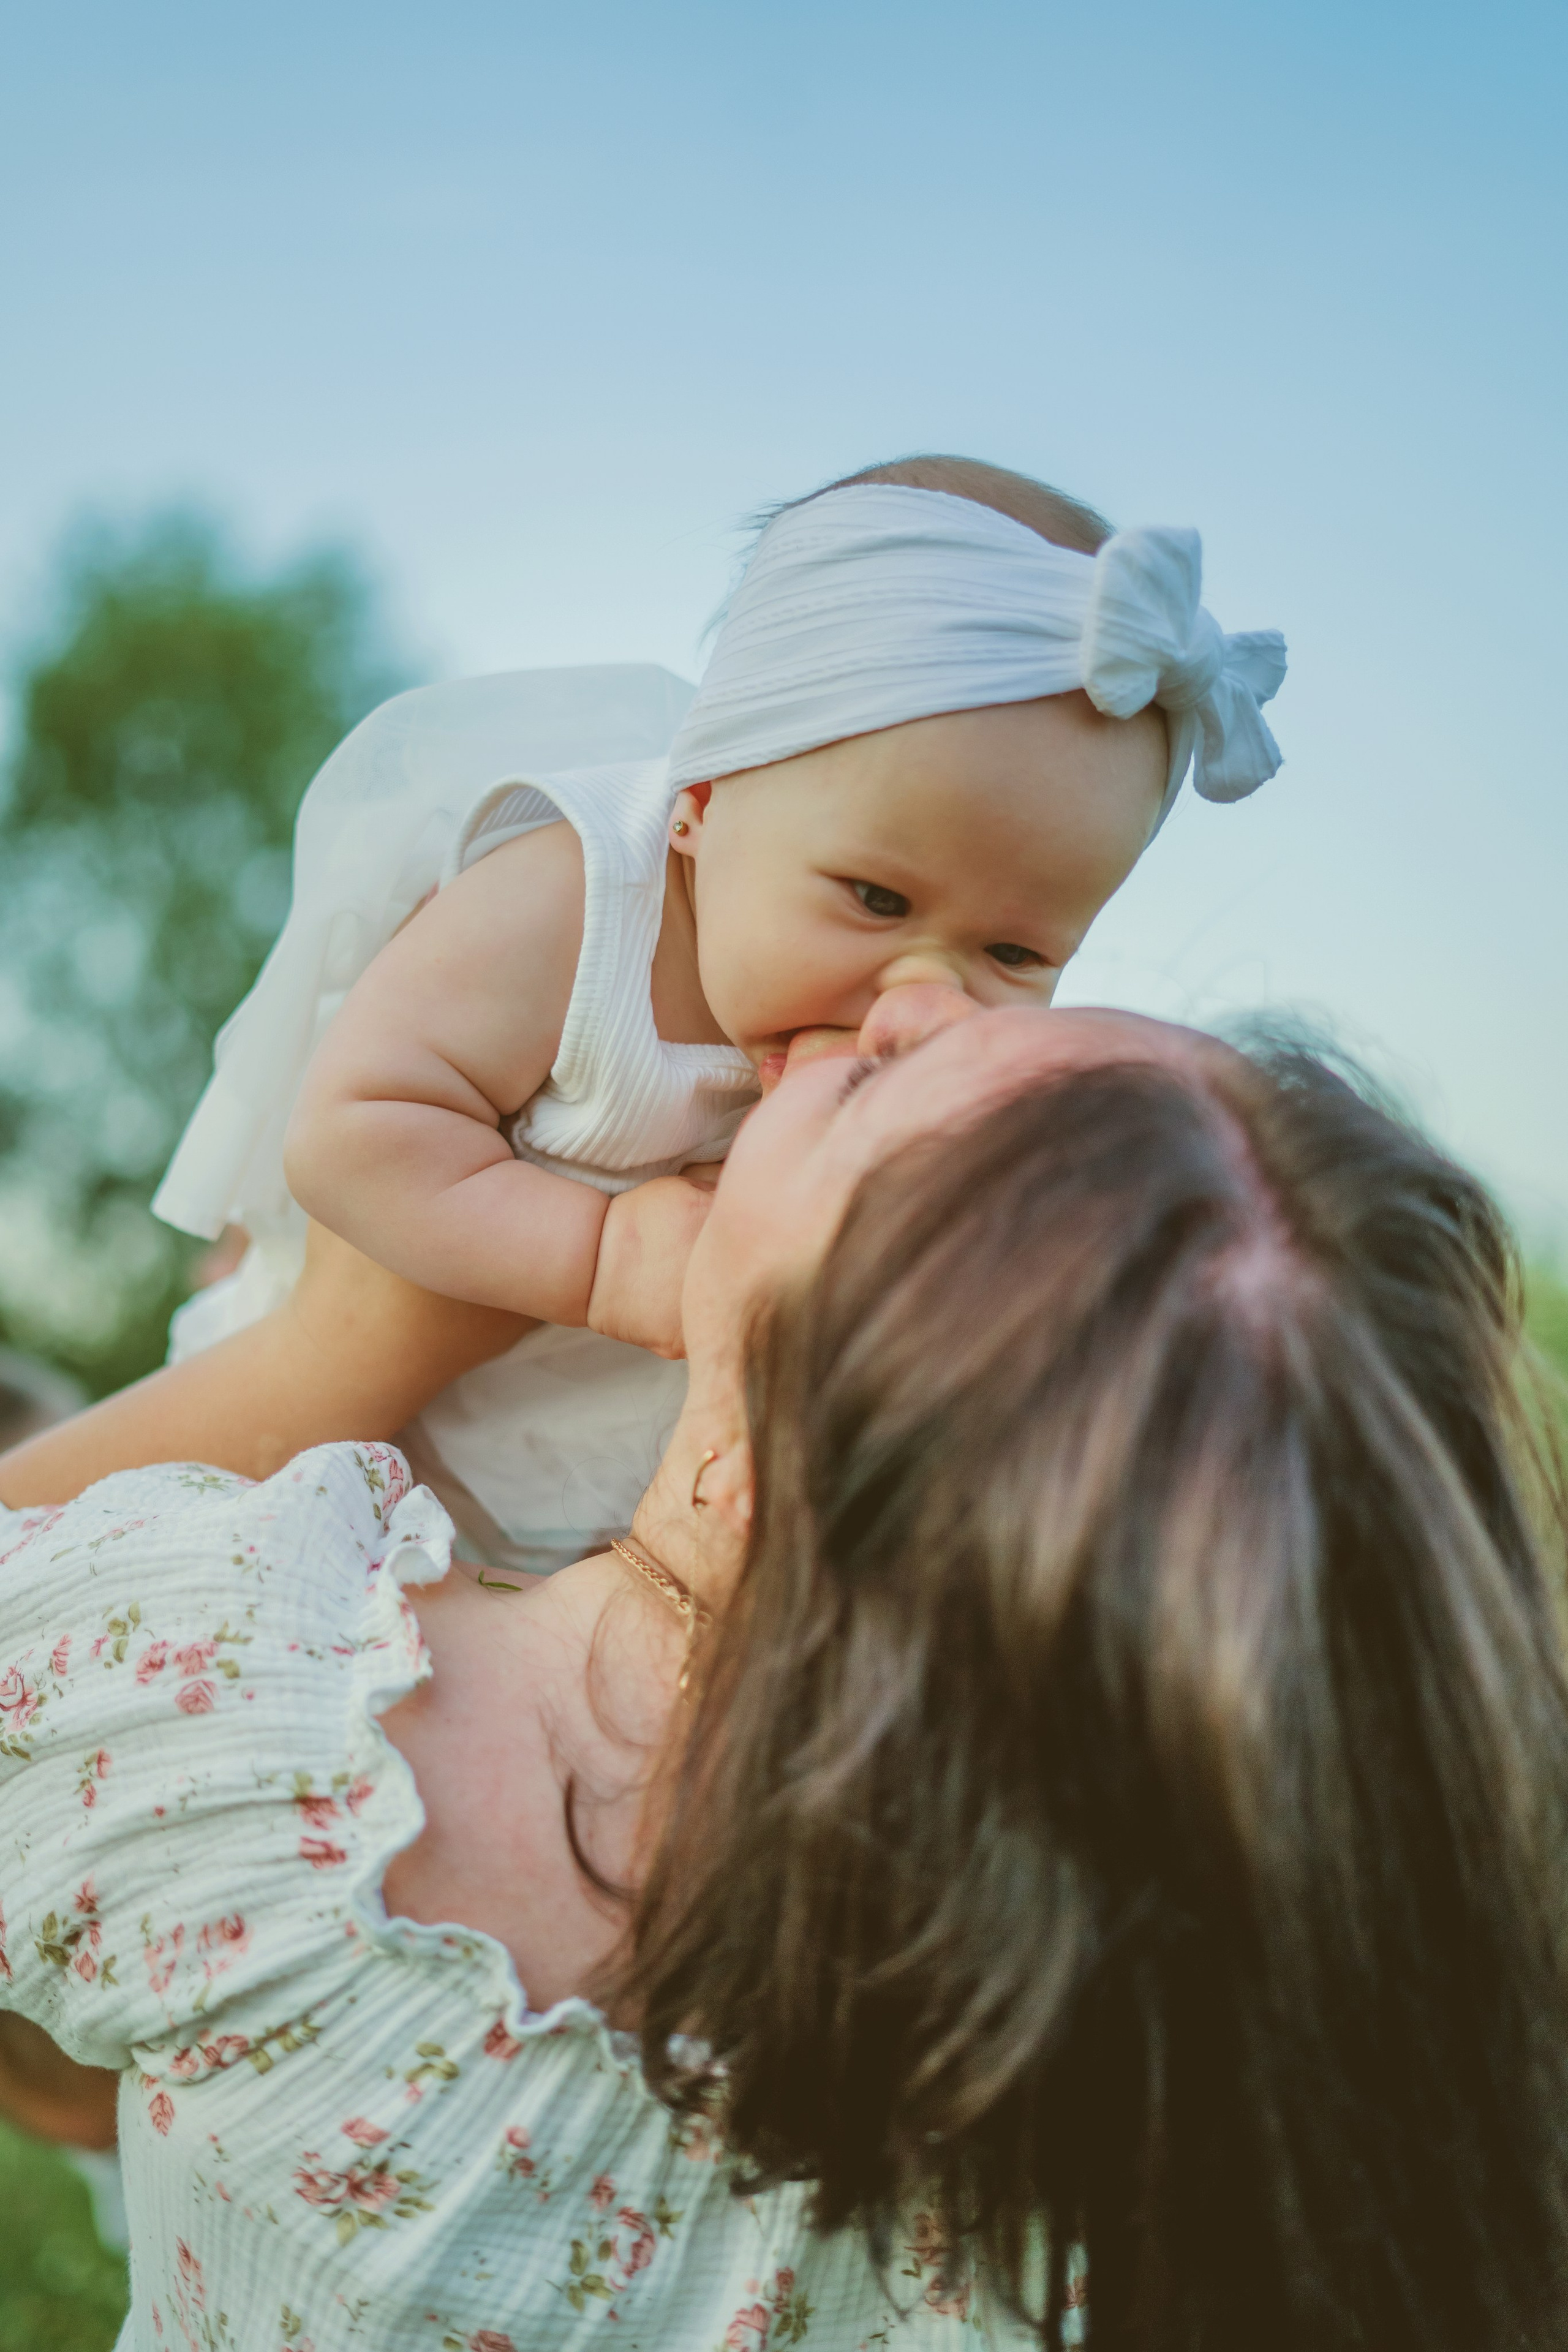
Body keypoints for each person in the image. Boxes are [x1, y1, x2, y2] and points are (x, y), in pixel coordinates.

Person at [4, 990, 1566, 2352]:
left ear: (778, 1466)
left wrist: (344, 1340)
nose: (909, 1000)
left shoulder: (255, 1717)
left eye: (879, 1095)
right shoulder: (1197, 2161)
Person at [150, 456, 1286, 1572]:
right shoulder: (573, 906)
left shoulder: (914, 1053)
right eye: (877, 899)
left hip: (578, 1510)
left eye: (1015, 952)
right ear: (699, 803)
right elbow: (351, 1133)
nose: (924, 997)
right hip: (331, 1448)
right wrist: (600, 1261)